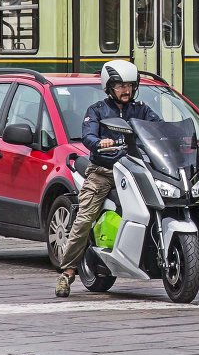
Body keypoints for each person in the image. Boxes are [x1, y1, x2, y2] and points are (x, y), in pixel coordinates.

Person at [55, 59, 161, 298]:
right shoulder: (97, 110)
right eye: (120, 85)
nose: (126, 90)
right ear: (108, 87)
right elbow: (88, 136)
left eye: (130, 85)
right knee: (84, 218)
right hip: (103, 172)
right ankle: (67, 273)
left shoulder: (142, 109)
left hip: (136, 171)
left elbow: (159, 130)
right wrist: (100, 142)